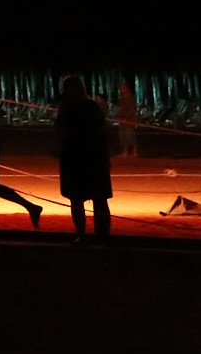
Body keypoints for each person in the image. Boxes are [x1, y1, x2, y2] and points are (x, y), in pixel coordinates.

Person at [56, 75, 114, 243]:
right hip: (89, 158)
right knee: (93, 199)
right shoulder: (86, 107)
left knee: (83, 199)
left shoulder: (68, 108)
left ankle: (87, 235)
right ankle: (96, 236)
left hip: (78, 158)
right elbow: (101, 134)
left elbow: (62, 133)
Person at [115, 82, 140, 159]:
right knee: (123, 136)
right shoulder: (122, 98)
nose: (122, 90)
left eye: (124, 88)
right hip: (122, 120)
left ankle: (134, 152)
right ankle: (125, 152)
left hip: (129, 120)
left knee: (130, 136)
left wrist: (127, 117)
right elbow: (120, 109)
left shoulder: (130, 97)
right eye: (121, 88)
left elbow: (132, 109)